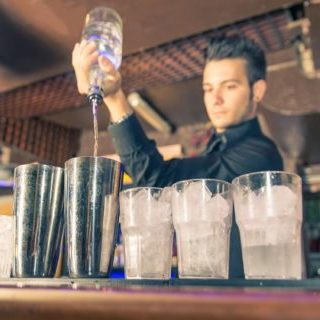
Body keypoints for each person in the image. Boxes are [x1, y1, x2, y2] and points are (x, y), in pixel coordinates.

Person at [72, 34, 283, 278]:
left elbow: (157, 181)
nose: (215, 99)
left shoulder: (259, 155)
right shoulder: (218, 149)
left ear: (257, 91)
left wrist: (114, 97)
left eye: (230, 86)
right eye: (208, 88)